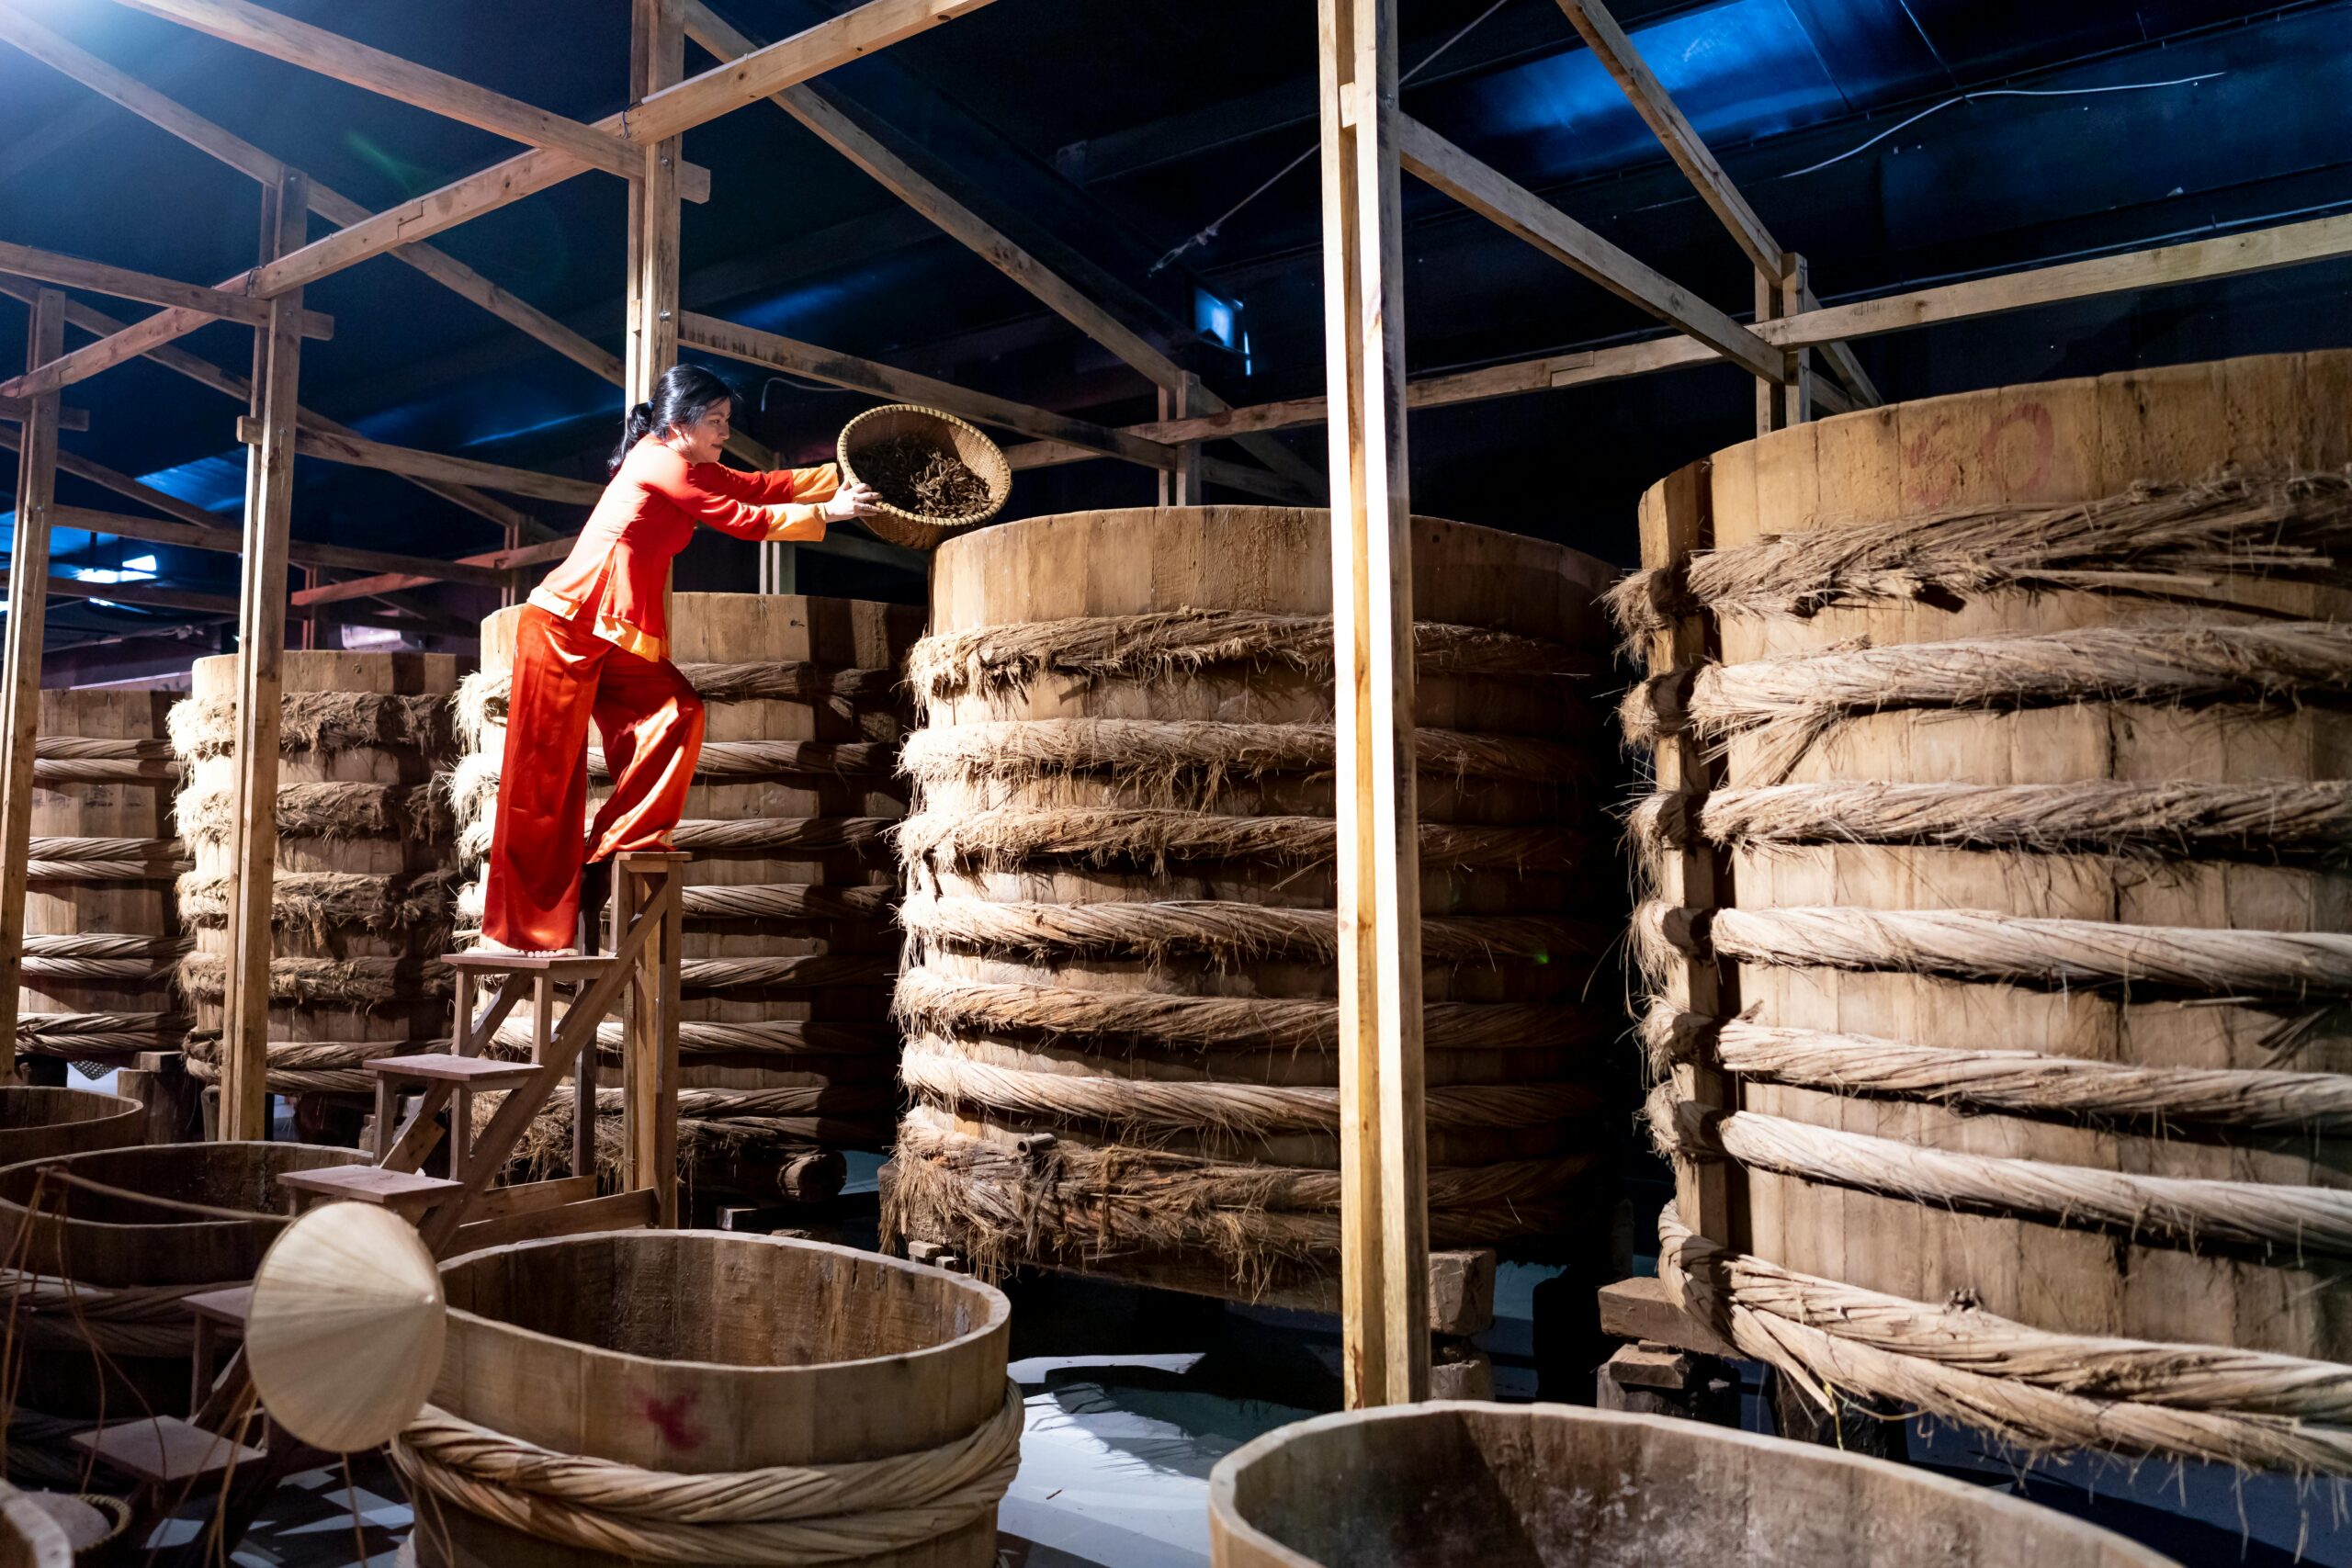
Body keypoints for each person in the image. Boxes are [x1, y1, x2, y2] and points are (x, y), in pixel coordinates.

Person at [476, 364, 880, 955]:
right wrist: (830, 514)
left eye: (726, 420)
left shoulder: (690, 463)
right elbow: (740, 521)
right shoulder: (659, 461)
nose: (724, 430)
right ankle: (528, 927)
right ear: (679, 421)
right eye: (715, 420)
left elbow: (756, 488)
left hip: (610, 634)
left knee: (678, 712)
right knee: (542, 780)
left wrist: (834, 480)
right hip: (564, 625)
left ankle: (616, 844)